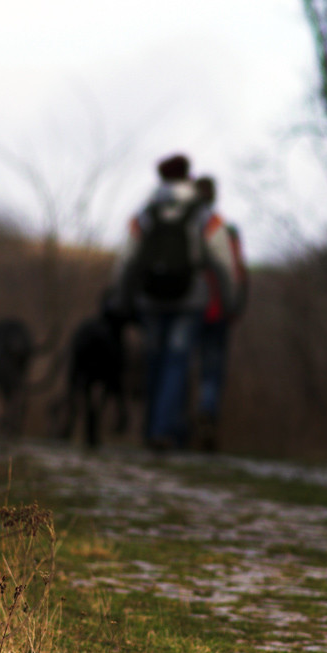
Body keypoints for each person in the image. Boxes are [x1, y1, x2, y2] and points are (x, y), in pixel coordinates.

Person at [114, 153, 237, 450]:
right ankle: (164, 430)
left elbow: (126, 257)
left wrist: (121, 294)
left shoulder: (145, 212)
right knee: (177, 363)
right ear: (187, 176)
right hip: (190, 296)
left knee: (153, 360)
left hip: (150, 297)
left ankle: (149, 431)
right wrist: (229, 299)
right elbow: (223, 259)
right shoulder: (204, 214)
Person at [194, 176, 248, 450]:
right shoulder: (223, 227)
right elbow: (236, 270)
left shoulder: (185, 223)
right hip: (216, 310)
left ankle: (174, 429)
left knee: (180, 369)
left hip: (184, 307)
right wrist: (234, 307)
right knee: (211, 372)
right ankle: (207, 413)